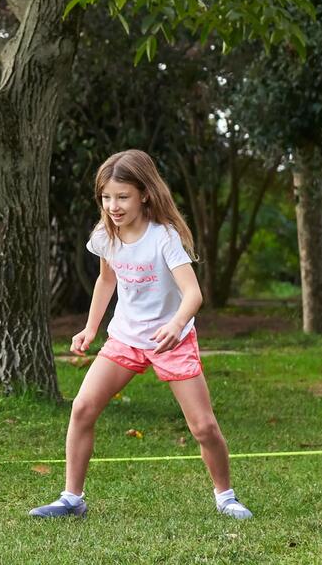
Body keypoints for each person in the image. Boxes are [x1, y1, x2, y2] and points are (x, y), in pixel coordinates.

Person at [27, 150, 252, 522]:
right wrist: (90, 327)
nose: (113, 206)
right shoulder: (105, 234)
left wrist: (176, 324)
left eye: (122, 197)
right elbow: (106, 279)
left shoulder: (164, 237)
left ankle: (225, 496)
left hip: (171, 340)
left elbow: (193, 294)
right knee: (82, 408)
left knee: (204, 427)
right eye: (106, 197)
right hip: (126, 338)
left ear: (144, 193)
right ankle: (71, 498)